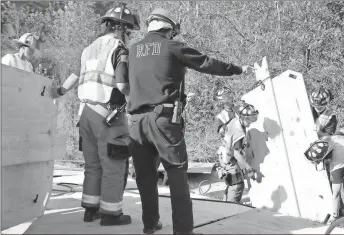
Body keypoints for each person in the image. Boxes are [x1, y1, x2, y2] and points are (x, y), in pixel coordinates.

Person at [126, 8, 253, 235]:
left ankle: (150, 224)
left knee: (145, 177)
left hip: (135, 122)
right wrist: (238, 69)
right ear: (169, 28)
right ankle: (183, 231)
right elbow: (206, 63)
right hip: (163, 121)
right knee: (176, 176)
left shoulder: (133, 50)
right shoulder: (173, 47)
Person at [51, 4, 140, 226]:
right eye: (128, 30)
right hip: (107, 117)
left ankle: (90, 210)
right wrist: (137, 96)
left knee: (92, 165)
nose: (129, 35)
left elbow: (73, 77)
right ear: (120, 28)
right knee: (113, 166)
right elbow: (121, 83)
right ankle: (111, 214)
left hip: (85, 116)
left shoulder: (88, 49)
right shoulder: (119, 49)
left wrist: (59, 91)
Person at [304, 132, 344, 225]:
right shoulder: (330, 140)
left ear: (326, 158)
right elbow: (340, 133)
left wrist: (334, 216)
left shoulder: (336, 164)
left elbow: (336, 193)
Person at [216, 102, 258, 203]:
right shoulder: (239, 131)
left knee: (233, 183)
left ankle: (226, 204)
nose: (251, 122)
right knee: (237, 184)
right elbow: (236, 153)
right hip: (228, 157)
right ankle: (231, 208)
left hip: (224, 154)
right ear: (243, 118)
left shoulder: (236, 120)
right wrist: (248, 167)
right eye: (249, 119)